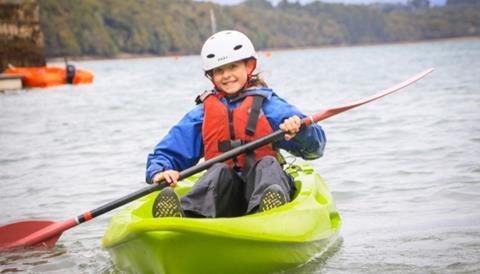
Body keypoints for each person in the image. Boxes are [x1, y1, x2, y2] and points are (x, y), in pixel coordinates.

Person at [146, 30, 326, 218]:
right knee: (219, 171)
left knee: (267, 164)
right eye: (219, 70)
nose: (226, 75)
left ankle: (268, 212)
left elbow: (315, 149)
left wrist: (300, 132)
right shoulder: (202, 113)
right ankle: (187, 216)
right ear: (211, 76)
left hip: (267, 190)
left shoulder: (270, 106)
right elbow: (170, 150)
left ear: (249, 66)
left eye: (232, 67)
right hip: (225, 197)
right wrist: (160, 170)